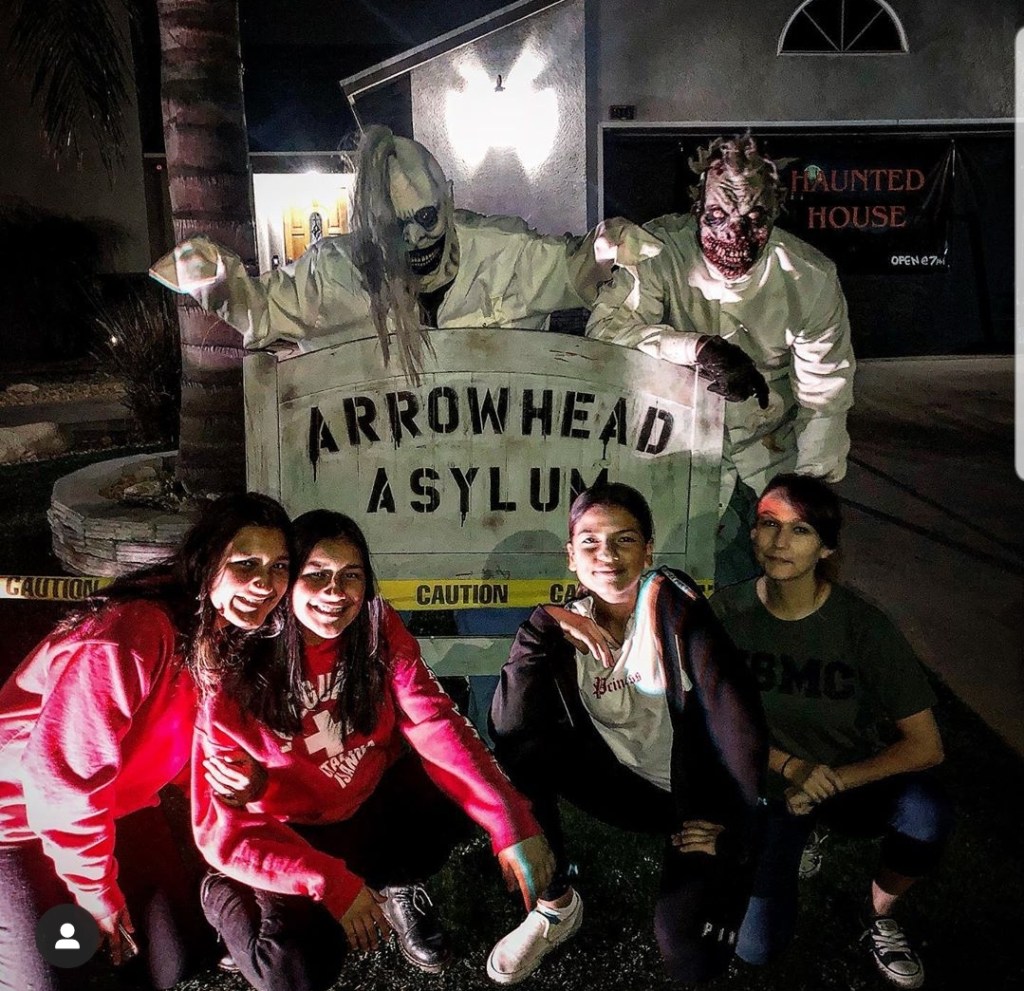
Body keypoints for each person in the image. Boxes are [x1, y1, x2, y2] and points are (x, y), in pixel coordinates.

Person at [192, 510, 555, 991]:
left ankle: (397, 884)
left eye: (351, 576)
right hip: (292, 830)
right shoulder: (230, 665)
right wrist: (334, 888)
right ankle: (224, 892)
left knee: (452, 792)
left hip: (362, 800)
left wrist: (510, 818)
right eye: (315, 575)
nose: (335, 592)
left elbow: (434, 720)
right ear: (285, 587)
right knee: (292, 974)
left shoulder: (377, 624)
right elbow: (224, 827)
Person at [0, 492, 293, 991]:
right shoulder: (131, 636)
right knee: (54, 974)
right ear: (206, 562)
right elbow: (61, 782)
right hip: (18, 817)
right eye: (246, 563)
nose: (265, 582)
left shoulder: (220, 631)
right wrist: (97, 893)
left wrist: (236, 775)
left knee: (169, 961)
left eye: (279, 565)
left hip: (117, 803)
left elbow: (185, 736)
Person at [487, 482, 766, 985]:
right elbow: (509, 731)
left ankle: (763, 851)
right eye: (590, 542)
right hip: (624, 788)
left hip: (697, 799)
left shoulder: (669, 601)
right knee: (518, 761)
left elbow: (735, 713)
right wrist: (542, 621)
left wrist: (738, 828)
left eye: (624, 540)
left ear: (648, 550)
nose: (607, 555)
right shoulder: (569, 624)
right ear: (570, 556)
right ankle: (556, 906)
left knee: (692, 957)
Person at [151, 125, 660, 377]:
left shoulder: (506, 253)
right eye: (395, 229)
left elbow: (576, 267)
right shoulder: (334, 275)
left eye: (426, 218)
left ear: (449, 201)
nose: (415, 239)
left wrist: (608, 244)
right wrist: (215, 276)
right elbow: (258, 308)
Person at [710, 473, 951, 989]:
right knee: (755, 950)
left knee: (926, 813)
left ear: (826, 547)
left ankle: (879, 913)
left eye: (800, 531)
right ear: (751, 534)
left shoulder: (862, 627)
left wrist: (832, 780)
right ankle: (795, 837)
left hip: (847, 777)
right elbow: (710, 719)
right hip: (771, 788)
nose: (778, 542)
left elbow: (926, 746)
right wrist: (791, 768)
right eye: (769, 524)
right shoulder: (725, 614)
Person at [587, 134, 855, 582]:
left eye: (755, 220)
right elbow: (606, 335)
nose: (735, 236)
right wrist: (695, 348)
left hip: (765, 456)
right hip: (665, 447)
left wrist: (808, 493)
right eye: (717, 217)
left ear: (774, 217)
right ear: (696, 210)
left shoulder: (809, 278)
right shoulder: (658, 251)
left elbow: (824, 396)